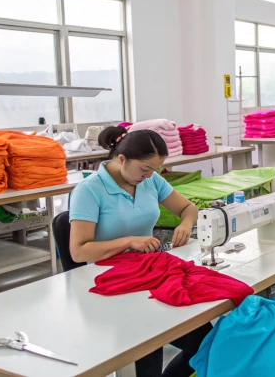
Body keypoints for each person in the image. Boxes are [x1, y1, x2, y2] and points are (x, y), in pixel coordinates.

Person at [69, 126, 208, 377]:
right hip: (112, 282)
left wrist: (186, 225)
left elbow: (188, 208)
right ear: (122, 159)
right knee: (149, 351)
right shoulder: (89, 190)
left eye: (154, 170)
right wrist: (128, 242)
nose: (149, 176)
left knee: (206, 341)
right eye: (144, 169)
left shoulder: (150, 180)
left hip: (150, 274)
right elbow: (79, 252)